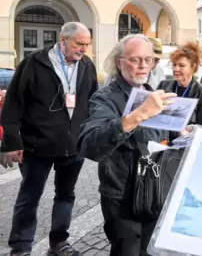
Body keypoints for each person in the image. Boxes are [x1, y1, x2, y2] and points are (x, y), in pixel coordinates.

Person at [0, 22, 98, 256]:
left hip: (73, 147)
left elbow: (94, 102)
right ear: (63, 40)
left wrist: (90, 135)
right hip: (36, 146)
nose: (84, 49)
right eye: (79, 44)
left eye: (87, 45)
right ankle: (21, 247)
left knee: (66, 195)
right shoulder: (35, 62)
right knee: (29, 196)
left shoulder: (86, 65)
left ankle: (59, 242)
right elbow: (13, 103)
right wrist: (12, 143)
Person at [78, 34, 177, 256]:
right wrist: (137, 115)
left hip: (156, 192)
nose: (143, 66)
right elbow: (90, 145)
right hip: (124, 197)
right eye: (135, 60)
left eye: (149, 59)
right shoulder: (105, 98)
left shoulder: (153, 93)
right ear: (118, 62)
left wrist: (182, 134)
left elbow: (162, 140)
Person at [157, 40, 202, 144]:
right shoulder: (163, 86)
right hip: (162, 144)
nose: (176, 69)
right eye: (174, 65)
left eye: (182, 65)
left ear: (193, 67)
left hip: (184, 147)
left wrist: (188, 132)